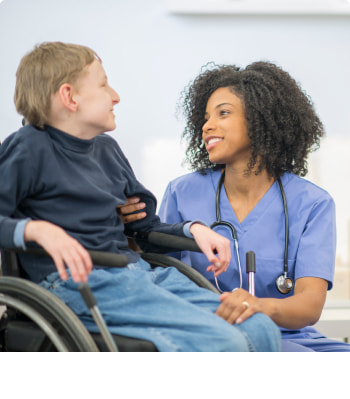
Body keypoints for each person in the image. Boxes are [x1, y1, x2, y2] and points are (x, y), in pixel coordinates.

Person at [0, 42, 281, 352]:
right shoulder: (28, 147)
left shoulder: (106, 150)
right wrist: (34, 229)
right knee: (223, 342)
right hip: (81, 284)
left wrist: (193, 230)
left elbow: (144, 230)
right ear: (70, 97)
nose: (115, 96)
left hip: (136, 275)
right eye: (103, 84)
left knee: (259, 326)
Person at [120, 61, 350, 352]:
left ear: (260, 120)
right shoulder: (183, 192)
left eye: (223, 113)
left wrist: (257, 306)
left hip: (289, 337)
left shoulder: (313, 204)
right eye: (205, 118)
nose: (207, 126)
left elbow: (309, 305)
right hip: (212, 336)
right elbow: (159, 276)